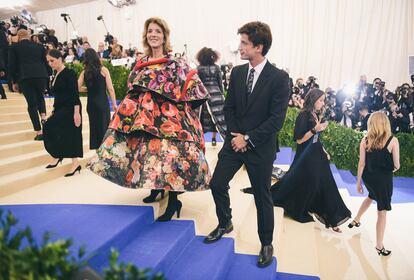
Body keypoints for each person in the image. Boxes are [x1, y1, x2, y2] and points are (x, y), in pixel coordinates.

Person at [87, 17, 210, 221]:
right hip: (144, 119)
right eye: (150, 31)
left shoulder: (175, 62)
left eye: (157, 32)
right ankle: (155, 188)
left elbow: (193, 86)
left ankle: (173, 201)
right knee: (145, 152)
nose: (153, 34)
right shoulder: (141, 63)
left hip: (169, 121)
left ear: (164, 37)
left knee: (170, 156)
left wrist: (184, 106)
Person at [203, 21, 290, 268]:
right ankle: (225, 222)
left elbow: (276, 120)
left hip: (260, 147)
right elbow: (228, 108)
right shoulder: (238, 73)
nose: (239, 47)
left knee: (263, 197)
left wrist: (248, 138)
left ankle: (266, 242)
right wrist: (235, 136)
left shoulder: (279, 78)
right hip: (234, 142)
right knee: (217, 183)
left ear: (259, 47)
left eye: (244, 43)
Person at [244, 89, 351, 232]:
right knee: (311, 182)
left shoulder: (314, 113)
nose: (322, 103)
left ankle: (332, 219)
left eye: (323, 100)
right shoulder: (304, 115)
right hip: (307, 156)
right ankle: (325, 216)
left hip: (316, 153)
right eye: (320, 100)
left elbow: (315, 138)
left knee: (326, 183)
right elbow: (299, 140)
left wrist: (323, 148)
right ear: (313, 100)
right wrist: (315, 129)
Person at [349, 111, 400, 256]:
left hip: (368, 178)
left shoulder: (365, 140)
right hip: (383, 181)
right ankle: (379, 245)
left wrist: (358, 183)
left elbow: (361, 164)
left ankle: (356, 219)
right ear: (385, 123)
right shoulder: (393, 141)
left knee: (371, 195)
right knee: (382, 213)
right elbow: (397, 165)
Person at [43, 49, 83, 177]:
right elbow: (58, 96)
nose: (50, 63)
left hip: (71, 107)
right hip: (61, 108)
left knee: (72, 133)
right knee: (51, 127)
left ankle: (75, 163)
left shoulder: (69, 73)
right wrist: (54, 111)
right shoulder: (55, 74)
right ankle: (58, 155)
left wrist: (76, 113)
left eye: (52, 61)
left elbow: (75, 94)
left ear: (60, 59)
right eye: (48, 61)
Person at [8, 29, 49, 140]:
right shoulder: (39, 46)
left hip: (25, 77)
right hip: (41, 76)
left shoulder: (14, 47)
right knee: (40, 98)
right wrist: (47, 75)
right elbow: (46, 62)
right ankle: (44, 118)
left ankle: (39, 131)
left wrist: (13, 81)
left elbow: (12, 65)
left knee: (32, 104)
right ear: (28, 35)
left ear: (19, 36)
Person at [78, 48, 117, 150]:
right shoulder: (103, 70)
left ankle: (97, 152)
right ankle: (105, 153)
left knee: (94, 128)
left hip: (91, 104)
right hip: (102, 103)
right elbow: (110, 89)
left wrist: (89, 89)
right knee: (104, 127)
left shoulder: (84, 72)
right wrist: (114, 104)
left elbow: (77, 87)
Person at [196, 47, 227, 146]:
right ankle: (215, 139)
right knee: (218, 119)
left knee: (204, 120)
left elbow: (198, 84)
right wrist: (221, 95)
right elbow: (220, 83)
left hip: (205, 96)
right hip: (217, 95)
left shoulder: (199, 69)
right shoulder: (217, 68)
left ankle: (201, 141)